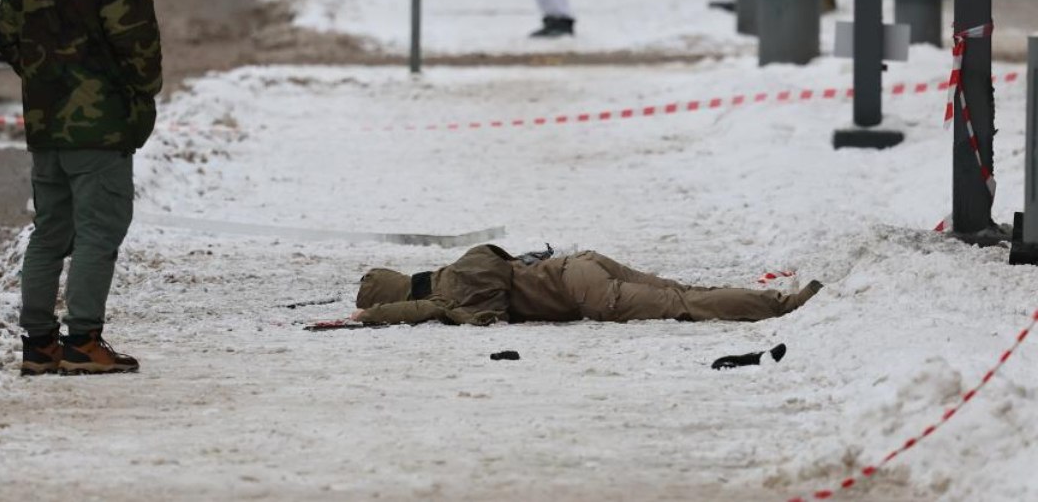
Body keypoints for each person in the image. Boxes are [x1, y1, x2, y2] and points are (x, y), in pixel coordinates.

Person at [0, 0, 163, 376]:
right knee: (98, 232)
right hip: (101, 129)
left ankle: (40, 344)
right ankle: (83, 341)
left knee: (50, 232)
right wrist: (134, 94)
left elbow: (9, 39)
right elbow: (141, 52)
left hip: (46, 128)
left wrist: (48, 83)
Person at [350, 245, 822, 326]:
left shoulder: (452, 295)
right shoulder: (466, 263)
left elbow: (471, 316)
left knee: (681, 305)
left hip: (584, 295)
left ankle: (782, 306)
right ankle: (769, 300)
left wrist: (370, 317)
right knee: (680, 290)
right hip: (581, 265)